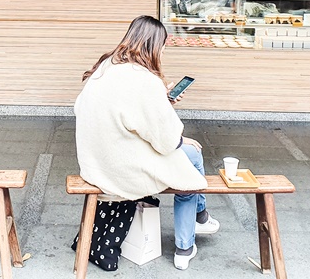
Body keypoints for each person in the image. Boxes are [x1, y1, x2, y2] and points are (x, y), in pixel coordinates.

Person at [74, 15, 219, 271]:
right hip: (121, 168)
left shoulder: (105, 66)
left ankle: (199, 219)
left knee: (187, 156)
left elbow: (124, 112)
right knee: (192, 157)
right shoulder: (146, 80)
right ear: (154, 46)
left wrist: (163, 101)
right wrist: (179, 132)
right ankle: (188, 240)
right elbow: (166, 140)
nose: (163, 52)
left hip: (95, 160)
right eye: (163, 46)